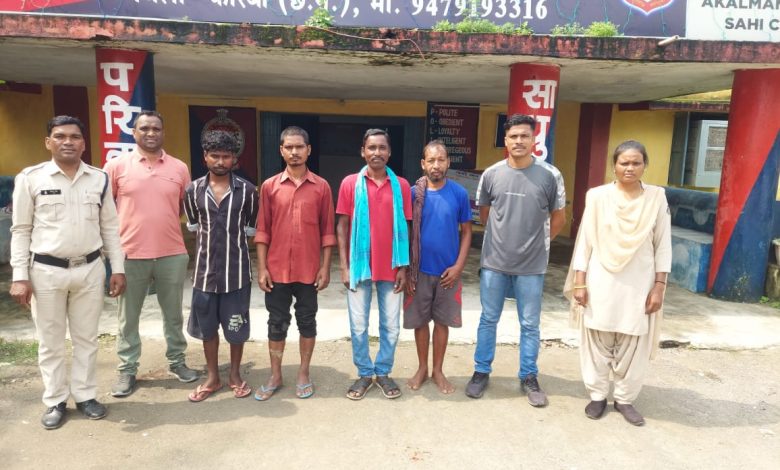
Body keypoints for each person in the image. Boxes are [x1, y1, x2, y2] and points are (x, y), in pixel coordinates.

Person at [9, 115, 126, 429]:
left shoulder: (99, 179)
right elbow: (21, 230)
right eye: (60, 136)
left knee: (87, 338)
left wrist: (117, 268)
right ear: (48, 142)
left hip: (89, 269)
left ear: (83, 143)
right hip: (46, 272)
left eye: (74, 136)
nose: (68, 142)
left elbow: (110, 228)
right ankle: (55, 400)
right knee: (51, 342)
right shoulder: (31, 178)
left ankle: (85, 396)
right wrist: (20, 276)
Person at [564, 140, 671, 426]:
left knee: (633, 340)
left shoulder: (657, 198)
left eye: (636, 163)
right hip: (601, 279)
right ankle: (597, 395)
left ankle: (624, 399)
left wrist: (659, 286)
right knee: (596, 338)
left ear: (645, 165)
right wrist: (579, 283)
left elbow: (663, 244)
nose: (630, 168)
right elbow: (585, 241)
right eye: (624, 162)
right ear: (614, 165)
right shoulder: (597, 196)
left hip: (640, 281)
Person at [466, 114, 566, 407]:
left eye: (524, 136)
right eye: (513, 136)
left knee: (530, 324)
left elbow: (559, 217)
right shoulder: (492, 174)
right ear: (505, 140)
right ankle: (481, 372)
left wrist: (538, 243)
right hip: (494, 263)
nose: (519, 141)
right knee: (488, 319)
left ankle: (529, 376)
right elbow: (485, 214)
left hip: (532, 266)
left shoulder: (550, 175)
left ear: (534, 139)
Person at [105, 110, 199, 398]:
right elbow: (105, 210)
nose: (150, 133)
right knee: (128, 318)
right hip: (130, 255)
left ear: (163, 132)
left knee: (173, 315)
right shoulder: (116, 166)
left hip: (172, 253)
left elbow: (185, 206)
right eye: (144, 128)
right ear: (134, 133)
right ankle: (127, 369)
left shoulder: (179, 168)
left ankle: (177, 361)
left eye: (156, 128)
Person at [254, 126, 336, 401]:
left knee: (307, 321)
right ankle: (275, 375)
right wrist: (262, 268)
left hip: (308, 270)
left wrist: (325, 267)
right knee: (276, 323)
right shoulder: (270, 186)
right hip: (276, 269)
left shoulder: (321, 187)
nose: (294, 152)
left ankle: (303, 373)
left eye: (299, 147)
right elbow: (263, 230)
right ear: (281, 150)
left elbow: (327, 231)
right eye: (288, 147)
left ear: (308, 150)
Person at [336, 128, 412, 400]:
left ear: (389, 152)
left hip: (391, 267)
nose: (376, 152)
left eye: (382, 147)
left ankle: (383, 372)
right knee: (358, 325)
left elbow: (406, 227)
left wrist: (403, 267)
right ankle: (365, 373)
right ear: (363, 151)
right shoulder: (350, 184)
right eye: (371, 147)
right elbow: (342, 226)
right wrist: (344, 266)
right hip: (359, 268)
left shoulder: (401, 185)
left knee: (391, 325)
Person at [183, 130, 258, 402]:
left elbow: (250, 228)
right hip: (204, 275)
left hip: (236, 275)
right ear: (205, 156)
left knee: (236, 329)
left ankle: (235, 375)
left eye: (226, 156)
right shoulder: (192, 191)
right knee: (207, 329)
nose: (220, 161)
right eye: (215, 155)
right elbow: (194, 227)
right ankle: (213, 377)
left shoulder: (248, 191)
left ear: (234, 159)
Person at [405, 140, 472, 394]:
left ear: (448, 163)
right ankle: (422, 367)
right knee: (420, 321)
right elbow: (404, 231)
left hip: (448, 273)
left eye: (441, 160)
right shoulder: (413, 194)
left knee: (442, 322)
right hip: (419, 271)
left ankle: (438, 370)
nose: (436, 165)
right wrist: (406, 268)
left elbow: (467, 232)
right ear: (423, 164)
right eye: (431, 160)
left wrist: (458, 266)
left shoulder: (459, 194)